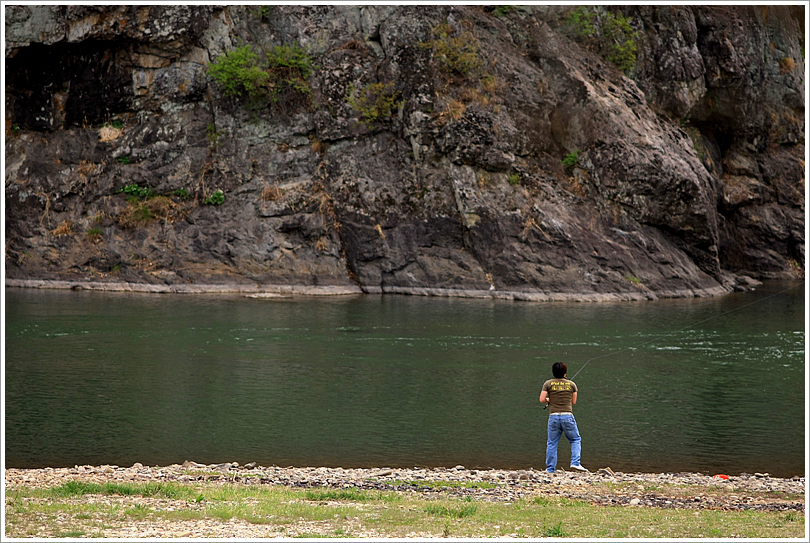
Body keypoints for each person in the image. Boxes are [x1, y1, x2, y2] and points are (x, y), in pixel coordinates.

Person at [539, 362, 588, 473]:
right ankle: (575, 463)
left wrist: (549, 400)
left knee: (552, 443)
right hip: (567, 416)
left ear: (553, 372)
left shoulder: (548, 383)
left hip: (553, 416)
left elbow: (542, 399)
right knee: (575, 439)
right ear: (565, 373)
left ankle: (550, 469)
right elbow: (573, 402)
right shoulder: (572, 384)